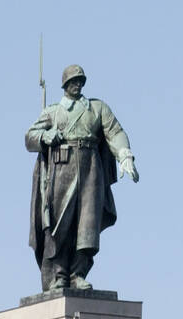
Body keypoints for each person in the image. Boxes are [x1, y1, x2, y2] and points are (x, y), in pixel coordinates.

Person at [26, 64, 139, 292]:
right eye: (73, 81)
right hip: (62, 167)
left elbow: (115, 132)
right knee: (59, 224)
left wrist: (124, 155)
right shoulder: (52, 111)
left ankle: (78, 273)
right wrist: (45, 136)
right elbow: (30, 136)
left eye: (80, 81)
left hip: (90, 168)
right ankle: (58, 275)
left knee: (87, 224)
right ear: (65, 85)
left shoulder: (97, 108)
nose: (77, 85)